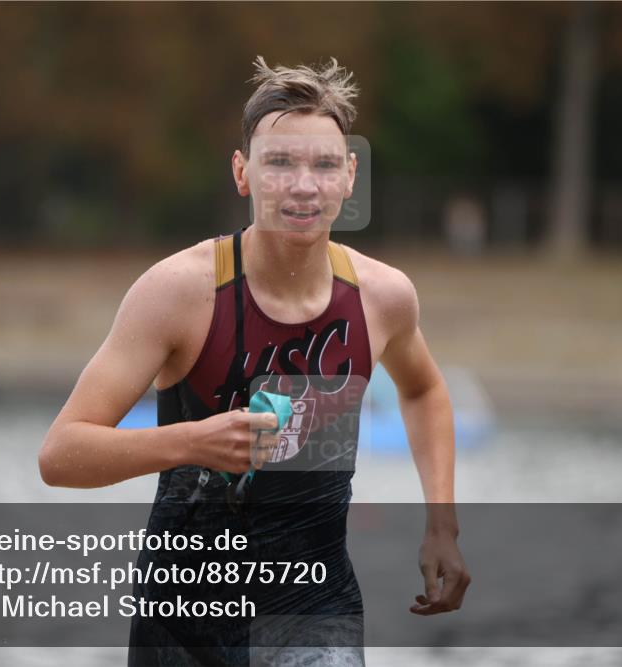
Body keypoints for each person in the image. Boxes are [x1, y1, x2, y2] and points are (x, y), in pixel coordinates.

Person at [39, 56, 470, 666]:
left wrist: (442, 526)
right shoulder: (178, 293)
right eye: (280, 163)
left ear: (349, 177)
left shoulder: (382, 297)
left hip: (315, 609)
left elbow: (424, 391)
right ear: (242, 172)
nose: (303, 185)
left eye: (324, 165)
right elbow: (60, 455)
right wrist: (193, 442)